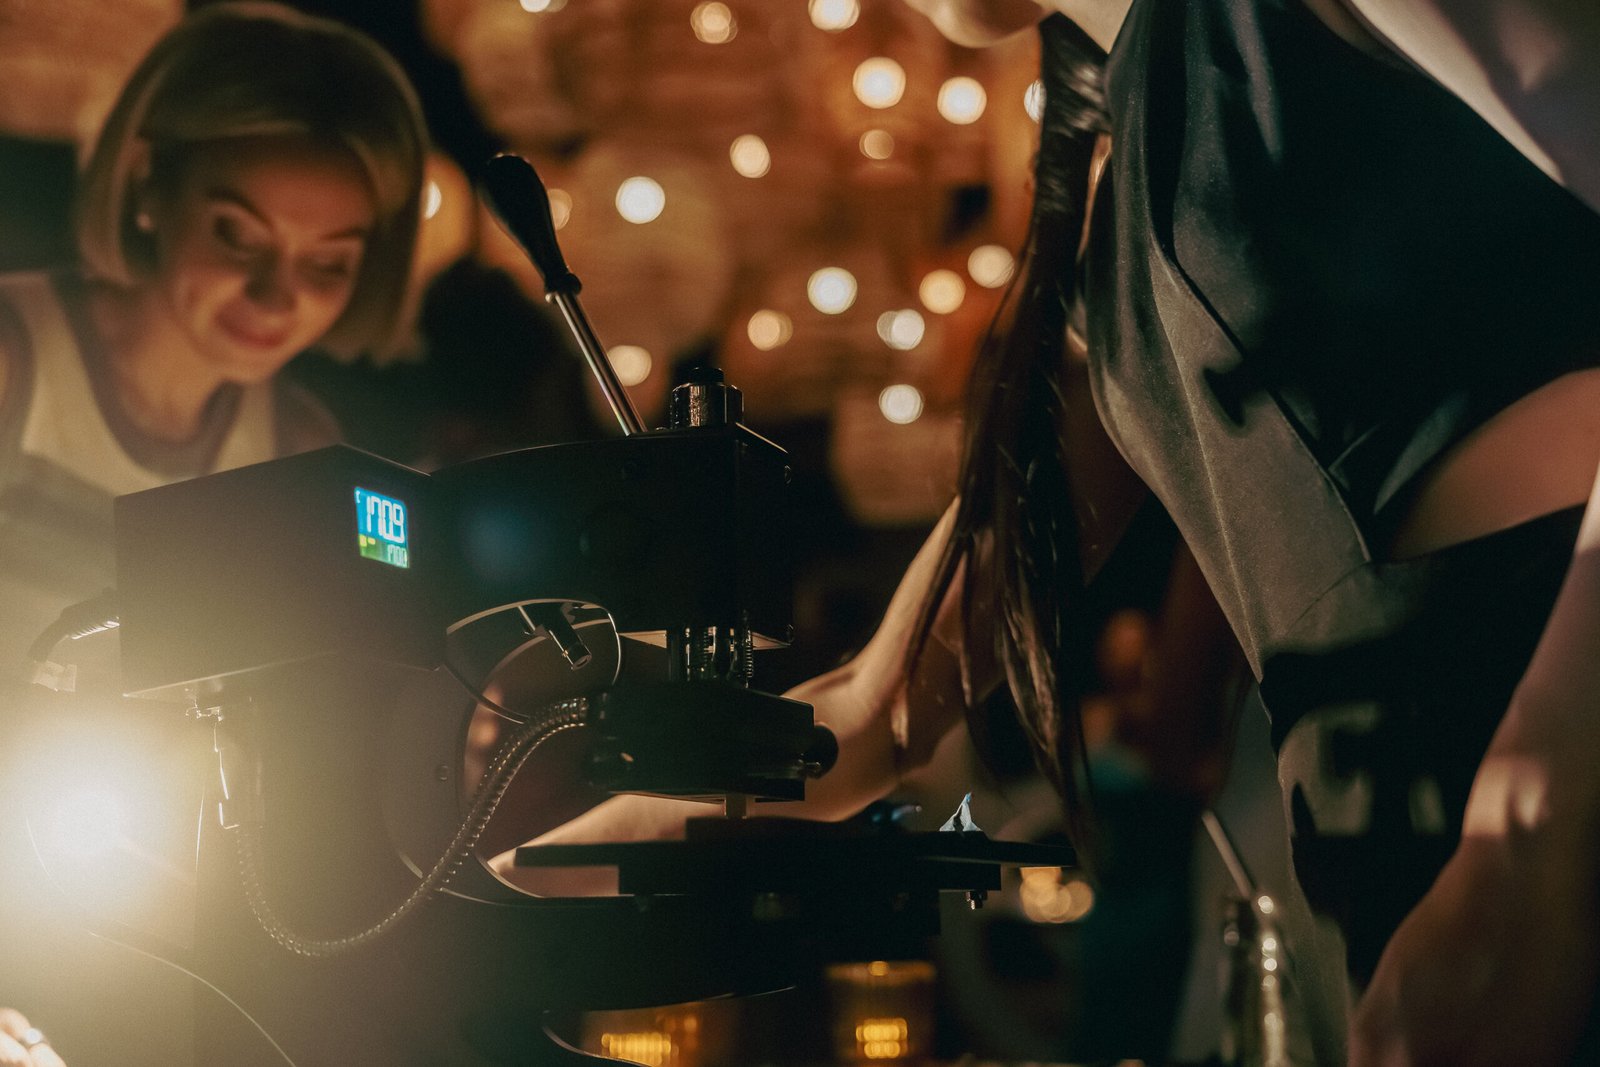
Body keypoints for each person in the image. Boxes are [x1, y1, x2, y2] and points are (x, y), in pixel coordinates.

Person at [515, 0, 1600, 1063]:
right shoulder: (1116, 213)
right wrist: (527, 864)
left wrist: (1533, 839)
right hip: (1403, 844)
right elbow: (875, 714)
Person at [0, 4, 427, 1062]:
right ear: (147, 185)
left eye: (329, 261)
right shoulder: (17, 362)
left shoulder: (298, 447)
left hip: (145, 923)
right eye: (238, 236)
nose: (278, 296)